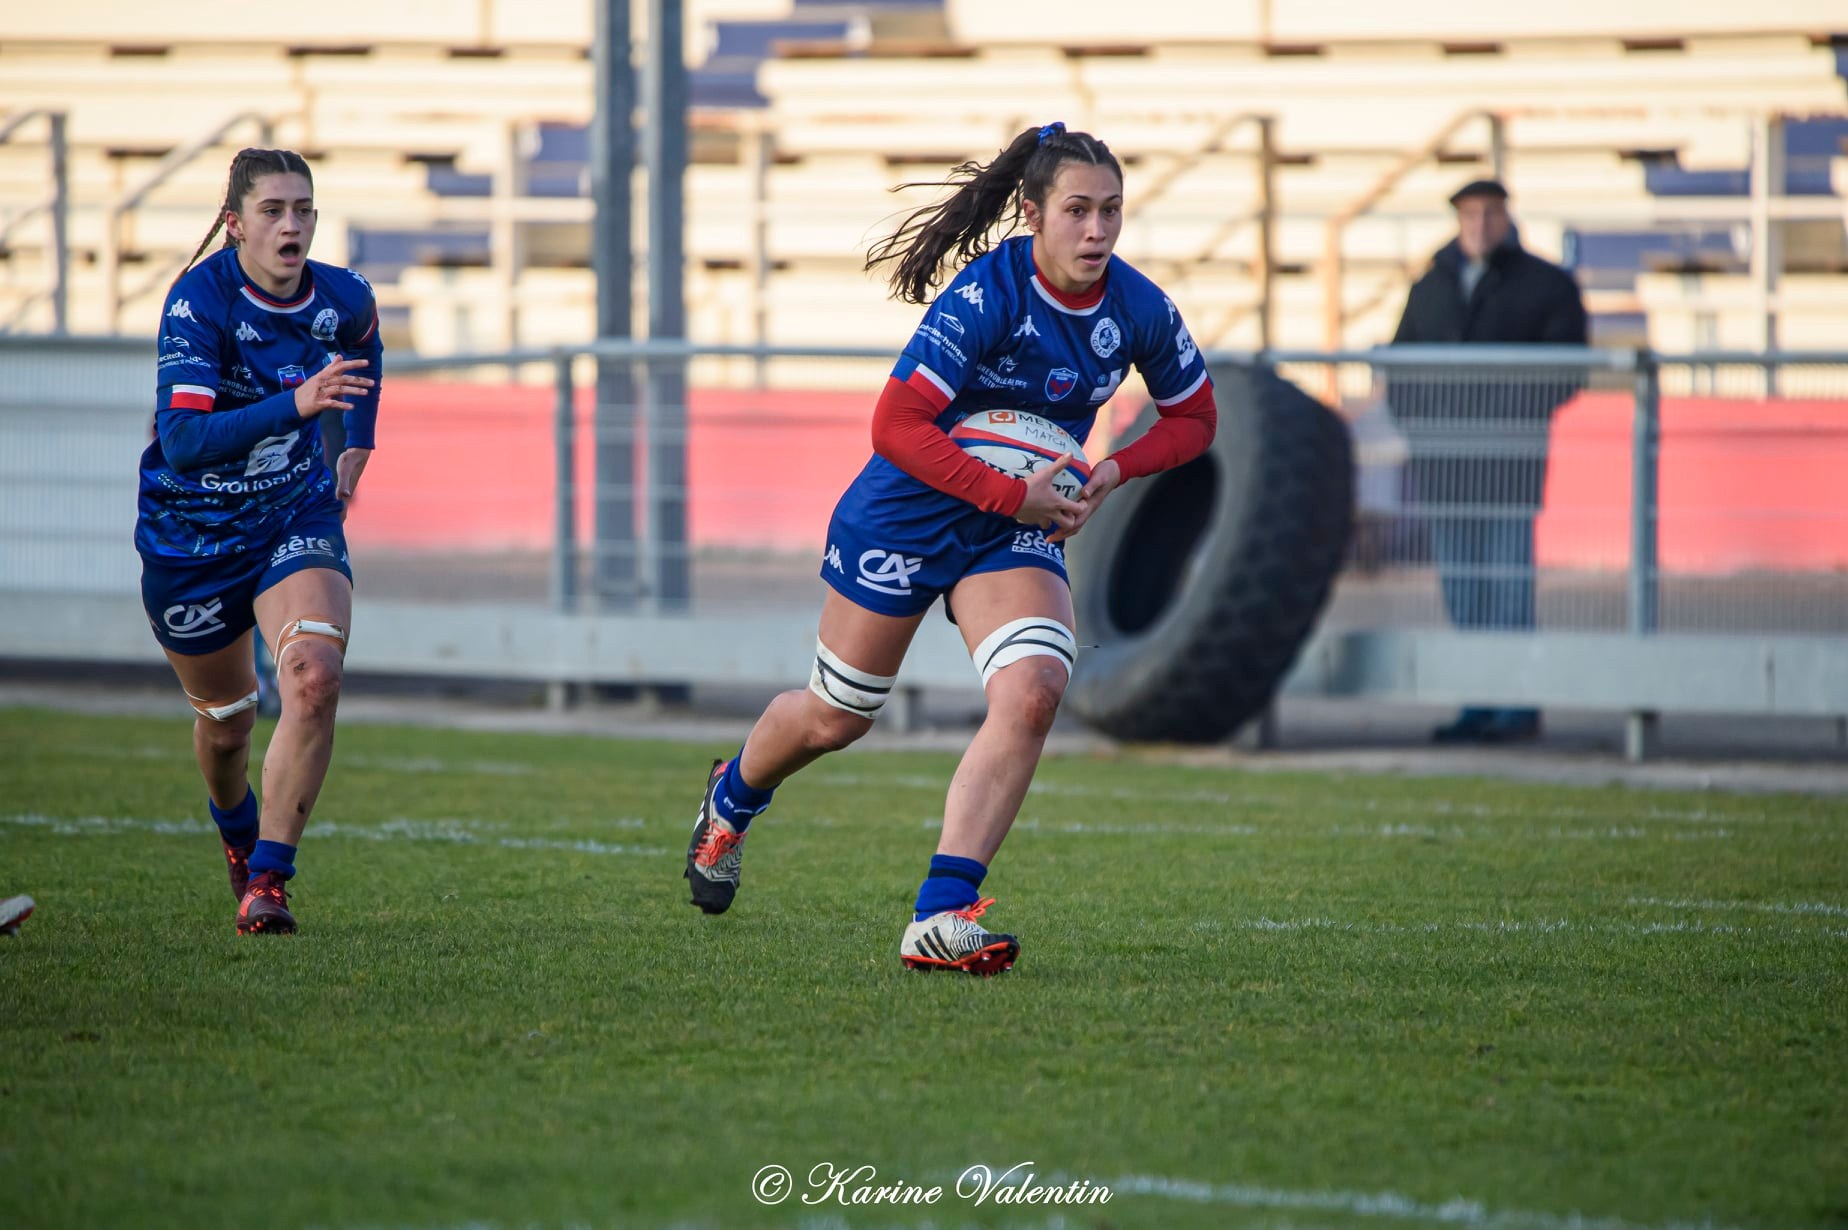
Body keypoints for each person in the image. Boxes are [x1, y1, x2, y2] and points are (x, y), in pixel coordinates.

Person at [683, 123, 1216, 974]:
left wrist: (1110, 470)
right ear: (1033, 216)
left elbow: (1195, 419)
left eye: (1112, 212)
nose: (1098, 232)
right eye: (1077, 211)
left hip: (1013, 525)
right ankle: (731, 799)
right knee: (835, 717)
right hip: (906, 514)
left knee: (1037, 688)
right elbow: (894, 426)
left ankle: (941, 914)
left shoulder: (1139, 308)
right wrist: (1014, 491)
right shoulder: (986, 295)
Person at [139, 147, 381, 934]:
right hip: (192, 536)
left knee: (314, 675)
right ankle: (238, 835)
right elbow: (181, 440)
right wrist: (301, 406)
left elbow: (367, 341)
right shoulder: (197, 301)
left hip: (291, 514)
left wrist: (357, 440)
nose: (292, 224)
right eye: (273, 211)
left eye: (304, 209)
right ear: (236, 224)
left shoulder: (340, 295)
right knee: (228, 724)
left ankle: (269, 882)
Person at [1387, 178, 1588, 745]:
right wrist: (1425, 427)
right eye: (1469, 214)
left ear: (1506, 217)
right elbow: (1400, 365)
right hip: (1446, 468)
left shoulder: (1545, 285)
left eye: (1489, 213)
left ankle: (1516, 703)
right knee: (1464, 590)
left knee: (1506, 587)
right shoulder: (1432, 285)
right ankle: (1478, 701)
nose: (1478, 224)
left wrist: (1500, 415)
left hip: (1508, 465)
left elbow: (1568, 369)